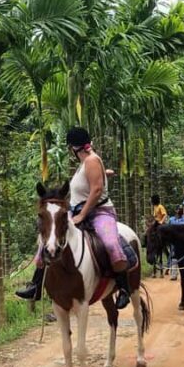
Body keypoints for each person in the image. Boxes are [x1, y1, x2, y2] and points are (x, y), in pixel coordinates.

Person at [16, 127, 132, 309]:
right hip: (77, 211)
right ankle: (36, 285)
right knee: (48, 239)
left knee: (110, 244)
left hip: (99, 212)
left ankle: (123, 287)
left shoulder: (92, 160)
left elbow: (96, 190)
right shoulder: (85, 163)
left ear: (73, 147)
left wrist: (82, 215)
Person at [168, 205, 184, 280]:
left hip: (183, 242)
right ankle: (174, 275)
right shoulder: (171, 220)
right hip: (174, 242)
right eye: (179, 209)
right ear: (176, 211)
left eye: (181, 209)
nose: (180, 210)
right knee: (174, 257)